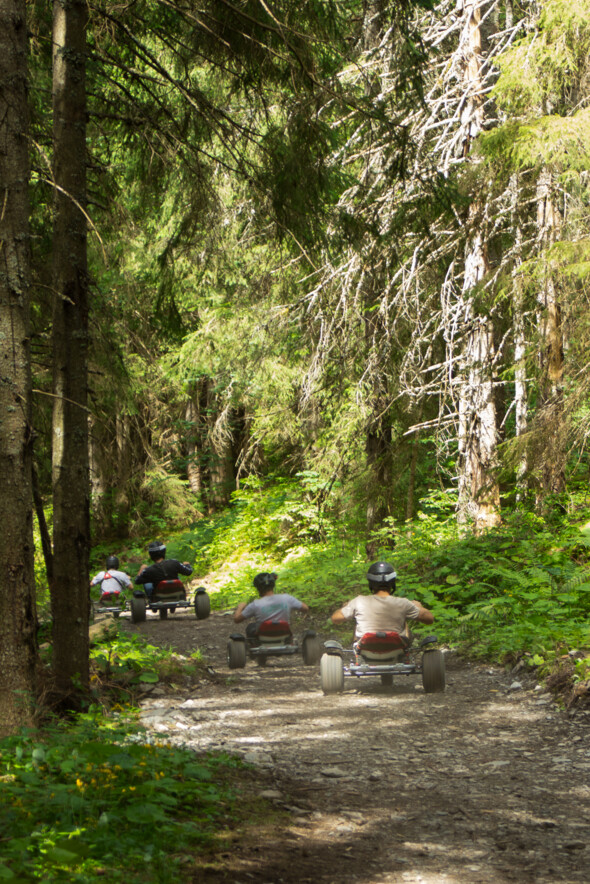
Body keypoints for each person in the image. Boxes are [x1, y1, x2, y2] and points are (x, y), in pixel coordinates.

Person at [331, 561, 434, 641]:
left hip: (367, 649)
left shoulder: (359, 601)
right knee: (405, 622)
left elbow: (335, 619)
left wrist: (346, 607)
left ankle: (358, 655)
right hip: (395, 648)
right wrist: (418, 607)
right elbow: (430, 619)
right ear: (392, 583)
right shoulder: (404, 603)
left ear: (371, 583)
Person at [234, 572, 309, 637]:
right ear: (273, 585)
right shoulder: (287, 598)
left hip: (263, 636)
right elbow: (305, 608)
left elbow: (237, 620)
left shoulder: (255, 604)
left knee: (250, 627)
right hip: (284, 633)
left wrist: (240, 607)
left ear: (258, 588)